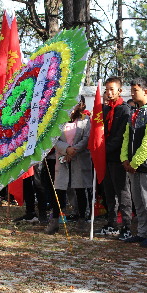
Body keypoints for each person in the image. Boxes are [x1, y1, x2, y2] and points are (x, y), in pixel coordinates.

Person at [120, 77, 147, 247]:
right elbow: (126, 137)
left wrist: (135, 162)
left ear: (146, 91)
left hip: (146, 165)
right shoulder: (134, 112)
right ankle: (142, 231)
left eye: (135, 90)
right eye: (131, 90)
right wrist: (124, 158)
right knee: (138, 200)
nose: (132, 93)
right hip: (132, 165)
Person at [46, 99, 92, 234]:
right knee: (59, 191)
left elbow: (86, 138)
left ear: (80, 105)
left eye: (75, 103)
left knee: (80, 190)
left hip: (78, 158)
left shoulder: (85, 119)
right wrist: (66, 149)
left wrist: (73, 151)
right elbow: (54, 139)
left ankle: (82, 220)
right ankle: (54, 221)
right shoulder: (59, 119)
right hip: (62, 158)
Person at [99, 77, 132, 239]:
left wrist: (105, 149)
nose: (109, 93)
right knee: (109, 192)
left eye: (112, 89)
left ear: (120, 91)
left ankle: (127, 225)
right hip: (105, 158)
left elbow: (120, 136)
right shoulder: (104, 110)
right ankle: (112, 223)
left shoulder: (124, 110)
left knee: (123, 192)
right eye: (106, 89)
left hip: (119, 158)